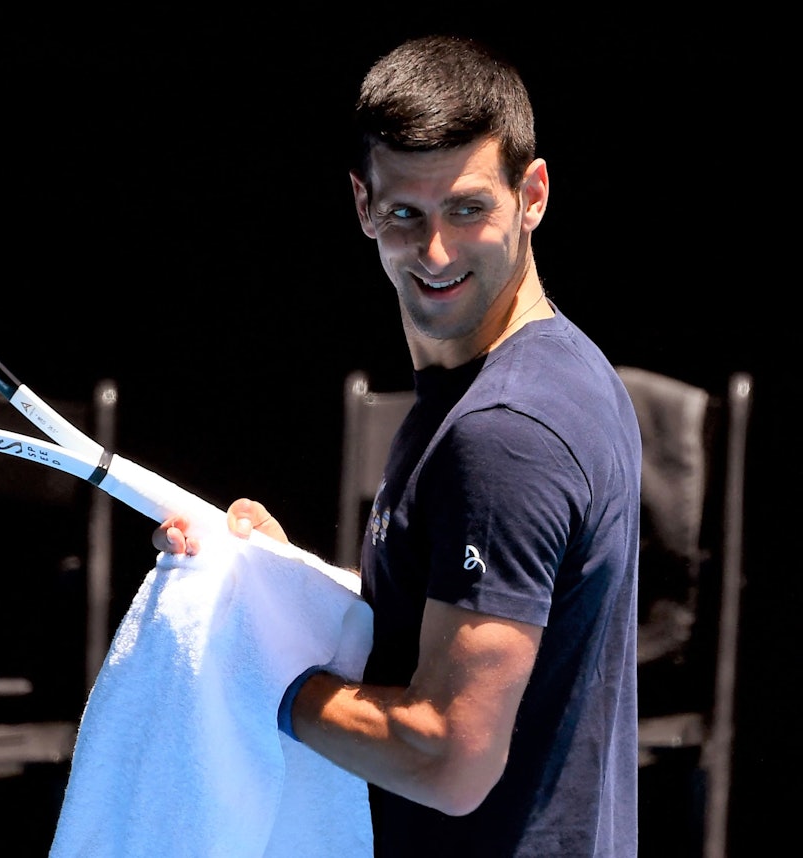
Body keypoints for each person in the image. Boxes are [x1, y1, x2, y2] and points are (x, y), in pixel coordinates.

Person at [153, 33, 641, 857]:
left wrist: (255, 674)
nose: (436, 251)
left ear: (534, 195)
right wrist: (280, 589)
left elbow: (448, 755)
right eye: (405, 214)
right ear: (362, 206)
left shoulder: (505, 433)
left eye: (467, 208)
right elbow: (447, 621)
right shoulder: (535, 378)